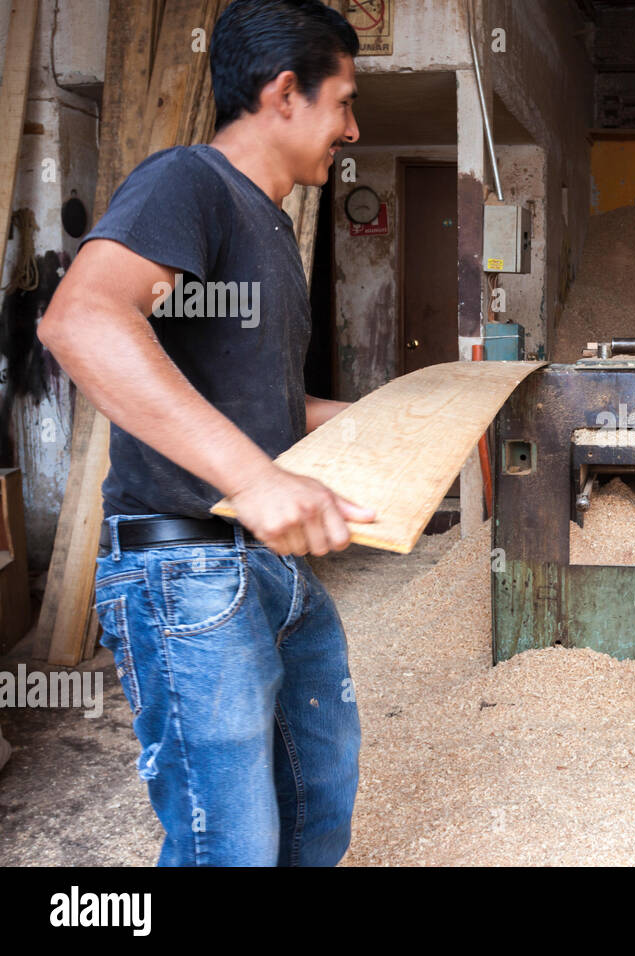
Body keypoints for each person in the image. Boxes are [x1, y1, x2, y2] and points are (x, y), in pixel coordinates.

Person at [38, 0, 372, 866]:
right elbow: (80, 320)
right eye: (343, 102)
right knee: (231, 845)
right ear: (285, 93)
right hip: (183, 566)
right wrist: (257, 482)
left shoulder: (271, 226)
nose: (352, 127)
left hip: (266, 569)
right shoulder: (187, 181)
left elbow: (261, 406)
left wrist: (396, 424)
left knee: (317, 807)